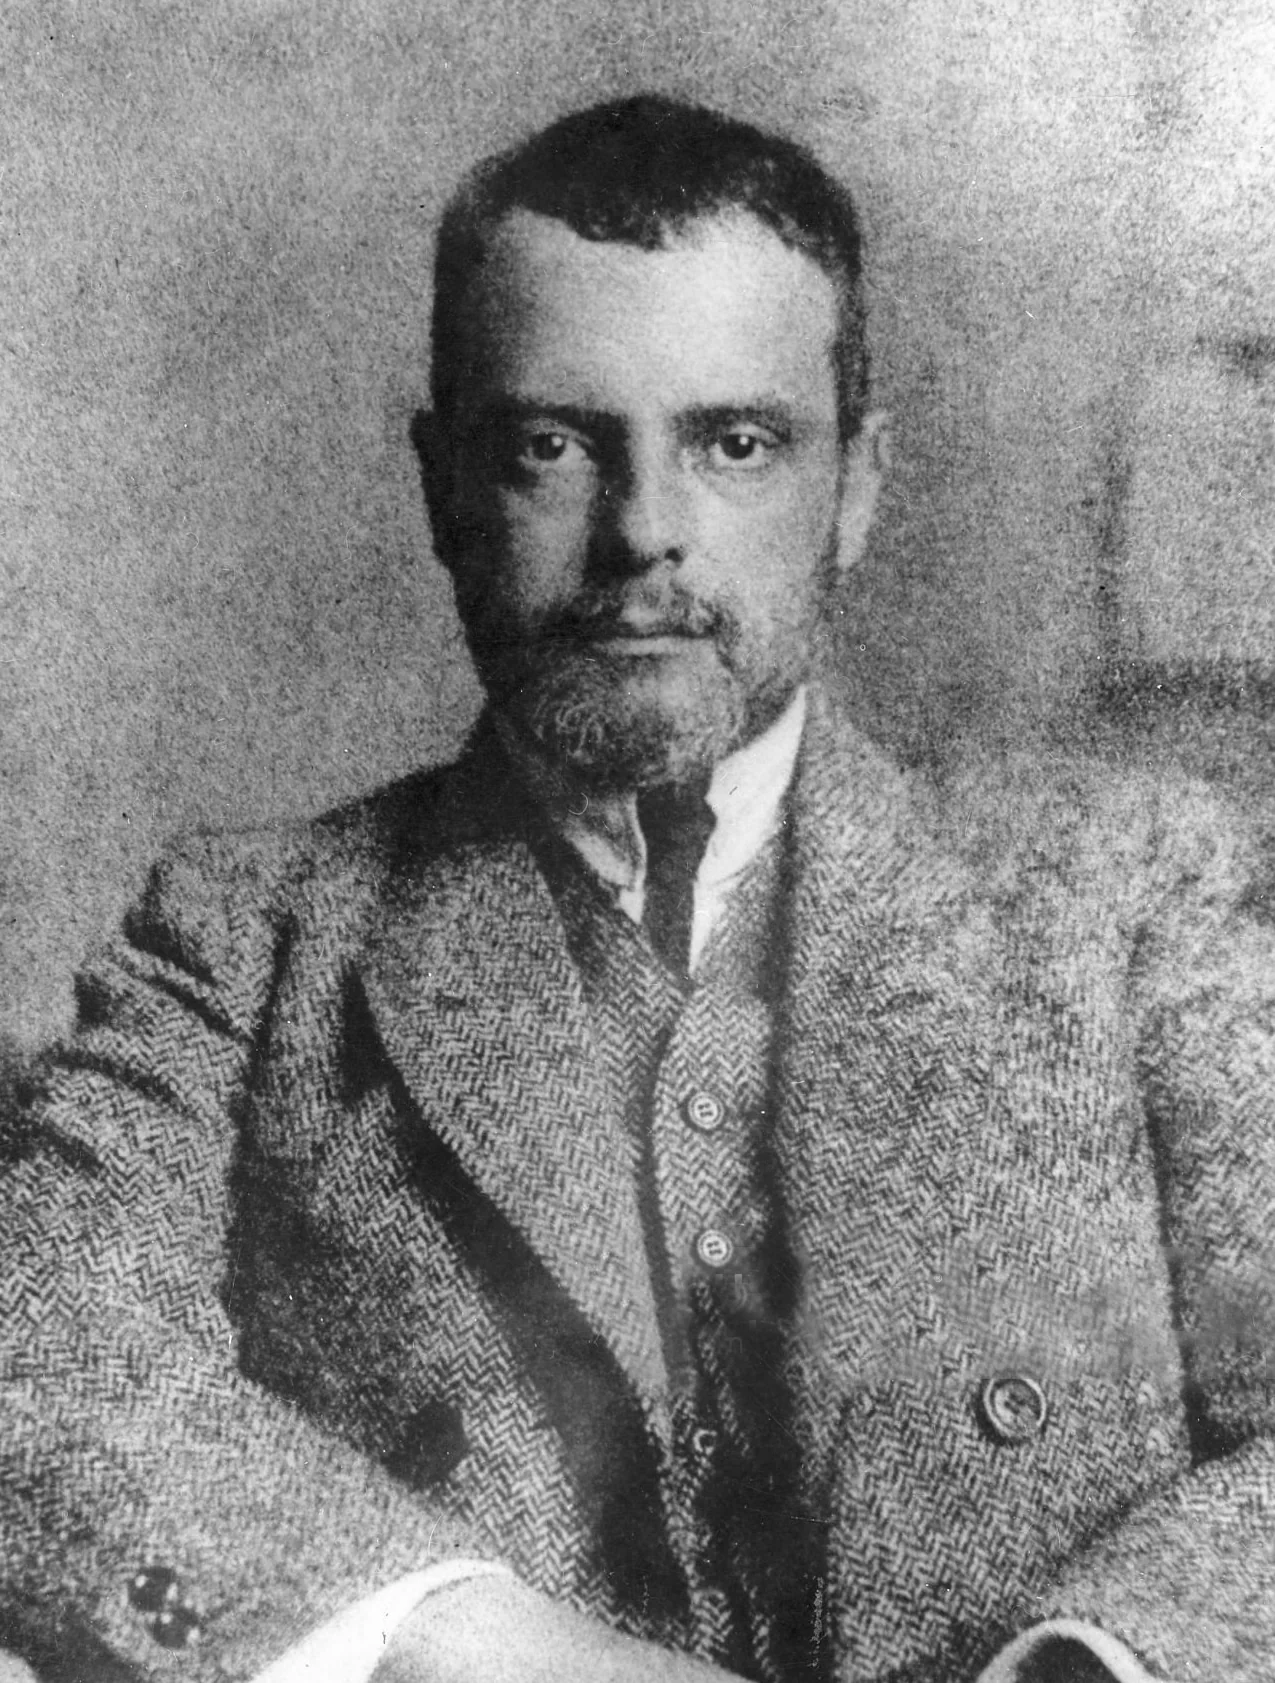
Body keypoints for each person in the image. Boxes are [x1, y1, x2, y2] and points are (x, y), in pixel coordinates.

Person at [1, 93, 1272, 1683]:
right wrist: (464, 1639)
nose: (643, 535)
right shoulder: (246, 943)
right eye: (550, 446)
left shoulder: (1126, 893)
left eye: (734, 444)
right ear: (441, 487)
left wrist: (1090, 1666)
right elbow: (37, 1366)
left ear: (855, 486)